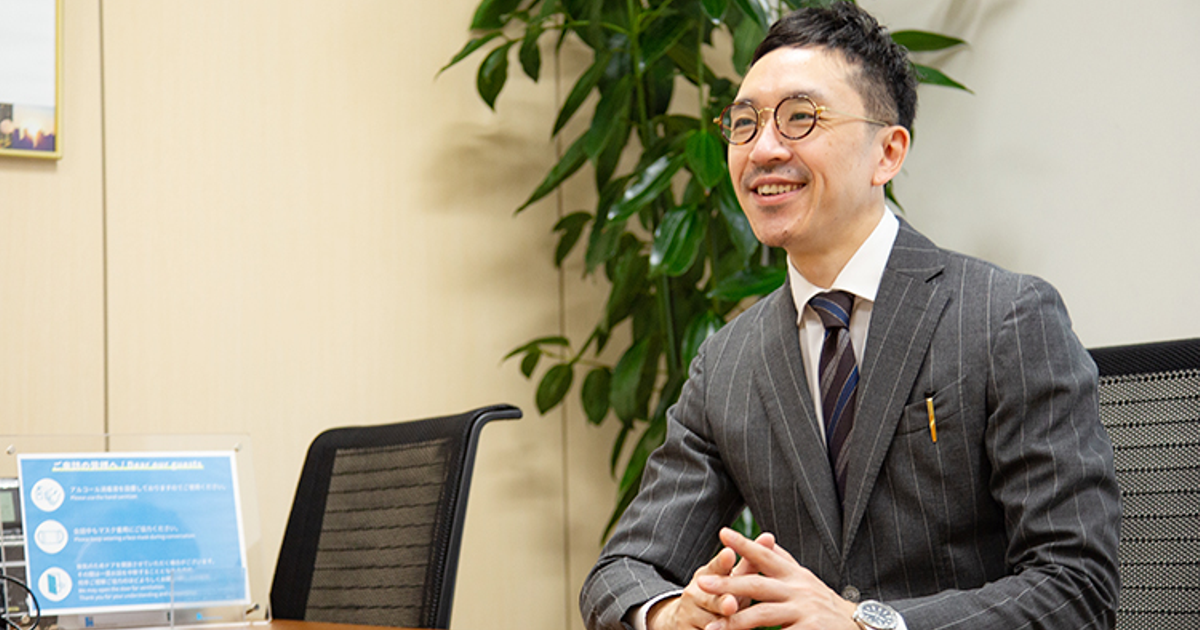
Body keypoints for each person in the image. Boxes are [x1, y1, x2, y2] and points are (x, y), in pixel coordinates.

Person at [578, 3, 1121, 630]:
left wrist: (866, 624)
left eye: (800, 117)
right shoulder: (726, 363)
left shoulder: (1005, 319)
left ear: (887, 153)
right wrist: (673, 613)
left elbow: (1076, 586)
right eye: (745, 123)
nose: (763, 149)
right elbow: (620, 572)